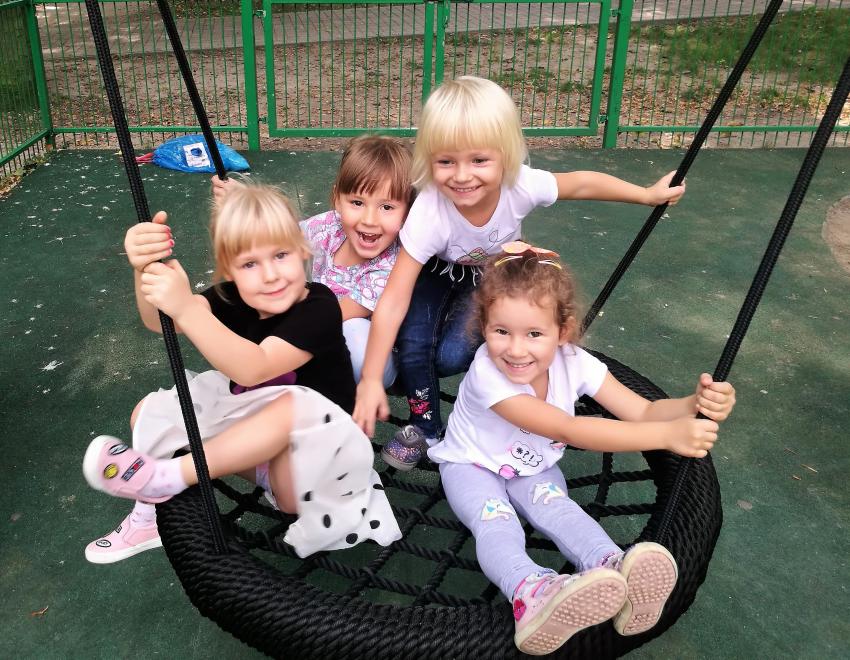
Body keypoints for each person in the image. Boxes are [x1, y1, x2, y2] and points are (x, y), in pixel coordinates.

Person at [352, 76, 687, 471]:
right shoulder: (430, 210)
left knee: (451, 354)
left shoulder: (520, 185)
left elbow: (580, 184)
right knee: (415, 341)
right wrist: (370, 378)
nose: (462, 176)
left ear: (506, 156)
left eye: (479, 160)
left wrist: (645, 195)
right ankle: (425, 428)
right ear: (429, 160)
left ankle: (499, 390)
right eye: (446, 161)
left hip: (493, 275)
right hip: (435, 270)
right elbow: (394, 298)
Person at [427, 243, 736, 655]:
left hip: (534, 467)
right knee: (498, 523)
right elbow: (568, 429)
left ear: (563, 331)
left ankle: (614, 569)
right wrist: (666, 437)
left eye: (534, 334)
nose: (516, 349)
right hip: (470, 466)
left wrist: (693, 404)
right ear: (484, 327)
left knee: (560, 509)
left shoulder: (576, 362)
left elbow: (644, 411)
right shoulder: (488, 373)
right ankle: (530, 592)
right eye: (501, 331)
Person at [84, 183, 400, 563]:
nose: (270, 275)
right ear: (229, 270)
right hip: (268, 459)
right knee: (150, 413)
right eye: (250, 264)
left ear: (302, 250)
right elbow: (161, 322)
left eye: (280, 255)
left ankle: (166, 477)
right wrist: (144, 270)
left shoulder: (320, 306)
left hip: (322, 469)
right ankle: (149, 515)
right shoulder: (232, 297)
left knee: (293, 407)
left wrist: (187, 308)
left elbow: (254, 367)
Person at [212, 135, 415, 387]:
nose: (369, 220)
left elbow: (332, 316)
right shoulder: (330, 226)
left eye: (387, 207)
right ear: (337, 199)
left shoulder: (393, 265)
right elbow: (280, 235)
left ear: (407, 211)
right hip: (322, 338)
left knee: (353, 335)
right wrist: (244, 204)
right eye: (357, 202)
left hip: (373, 356)